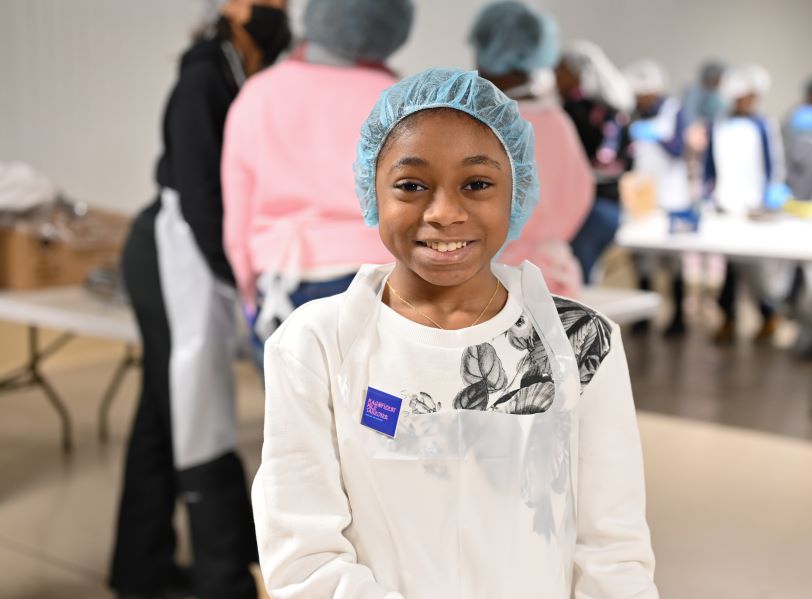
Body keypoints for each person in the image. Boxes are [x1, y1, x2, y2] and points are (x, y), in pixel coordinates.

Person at [252, 66, 658, 599]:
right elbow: (305, 560)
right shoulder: (317, 345)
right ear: (372, 191)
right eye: (412, 185)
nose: (444, 213)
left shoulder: (581, 343)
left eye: (477, 184)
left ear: (515, 193)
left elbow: (613, 551)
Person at [109, 1, 291, 598]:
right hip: (173, 250)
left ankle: (140, 569)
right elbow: (199, 193)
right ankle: (223, 577)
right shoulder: (202, 77)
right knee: (193, 405)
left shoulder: (263, 69)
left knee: (161, 416)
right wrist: (241, 280)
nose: (277, 6)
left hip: (206, 247)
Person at [222, 0, 414, 365]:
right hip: (379, 282)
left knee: (295, 415)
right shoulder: (400, 100)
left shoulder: (258, 94)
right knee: (377, 415)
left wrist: (249, 286)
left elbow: (238, 212)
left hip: (282, 281)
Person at [468, 0, 594, 296]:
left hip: (492, 283)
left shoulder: (486, 125)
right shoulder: (557, 121)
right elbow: (580, 195)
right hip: (555, 279)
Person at [704, 64, 789, 343]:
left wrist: (771, 194)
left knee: (754, 269)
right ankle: (729, 318)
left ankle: (768, 315)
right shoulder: (719, 123)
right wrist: (707, 193)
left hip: (754, 208)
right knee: (729, 267)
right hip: (726, 205)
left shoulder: (764, 125)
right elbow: (711, 163)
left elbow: (774, 163)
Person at [555, 40, 635, 283]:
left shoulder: (573, 112)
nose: (554, 77)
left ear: (576, 74)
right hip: (611, 208)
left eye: (559, 70)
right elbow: (630, 164)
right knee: (587, 278)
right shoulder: (615, 113)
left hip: (587, 209)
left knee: (578, 287)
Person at [623, 59, 691, 336]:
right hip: (642, 198)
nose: (640, 100)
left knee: (673, 260)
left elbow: (678, 149)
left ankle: (678, 318)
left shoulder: (674, 111)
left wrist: (656, 136)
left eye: (643, 95)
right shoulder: (635, 115)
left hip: (672, 197)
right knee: (642, 259)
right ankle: (645, 316)